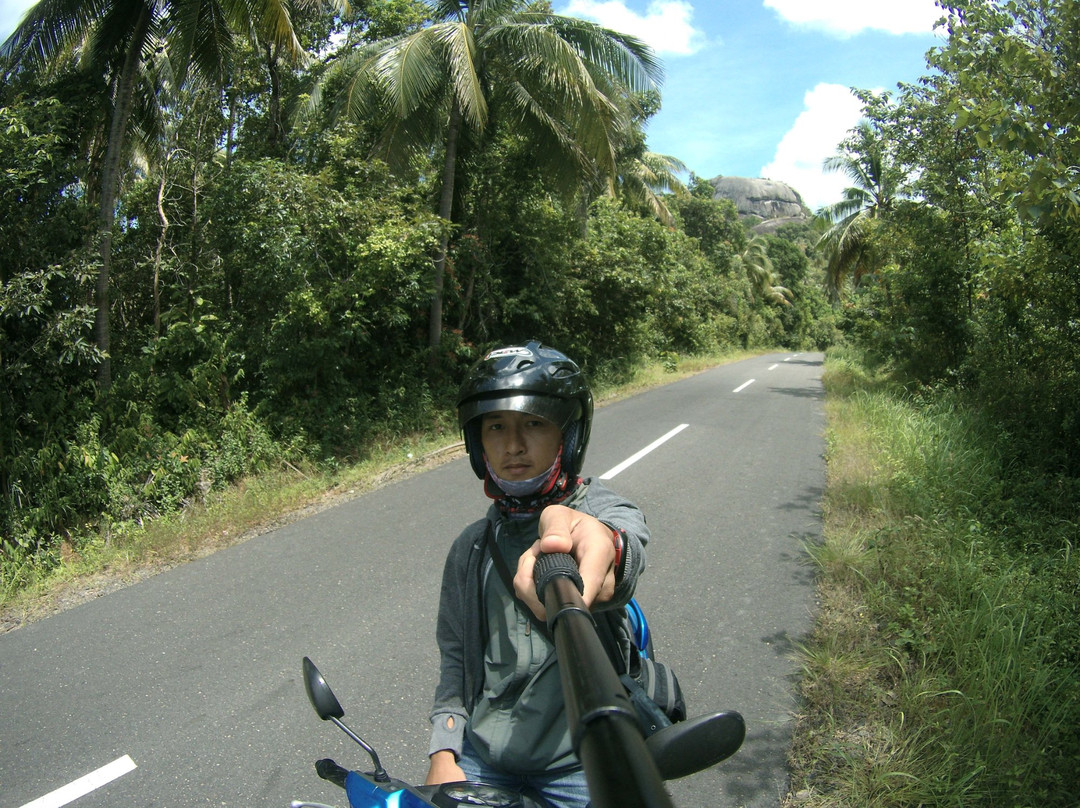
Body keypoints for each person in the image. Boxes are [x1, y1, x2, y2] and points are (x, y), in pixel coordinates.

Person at [425, 341, 650, 808]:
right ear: (477, 442)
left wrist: (598, 551)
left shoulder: (601, 509)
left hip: (580, 764)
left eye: (533, 423)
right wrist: (445, 746)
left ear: (568, 436)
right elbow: (455, 655)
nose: (513, 445)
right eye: (496, 427)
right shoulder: (470, 548)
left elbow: (616, 552)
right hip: (484, 759)